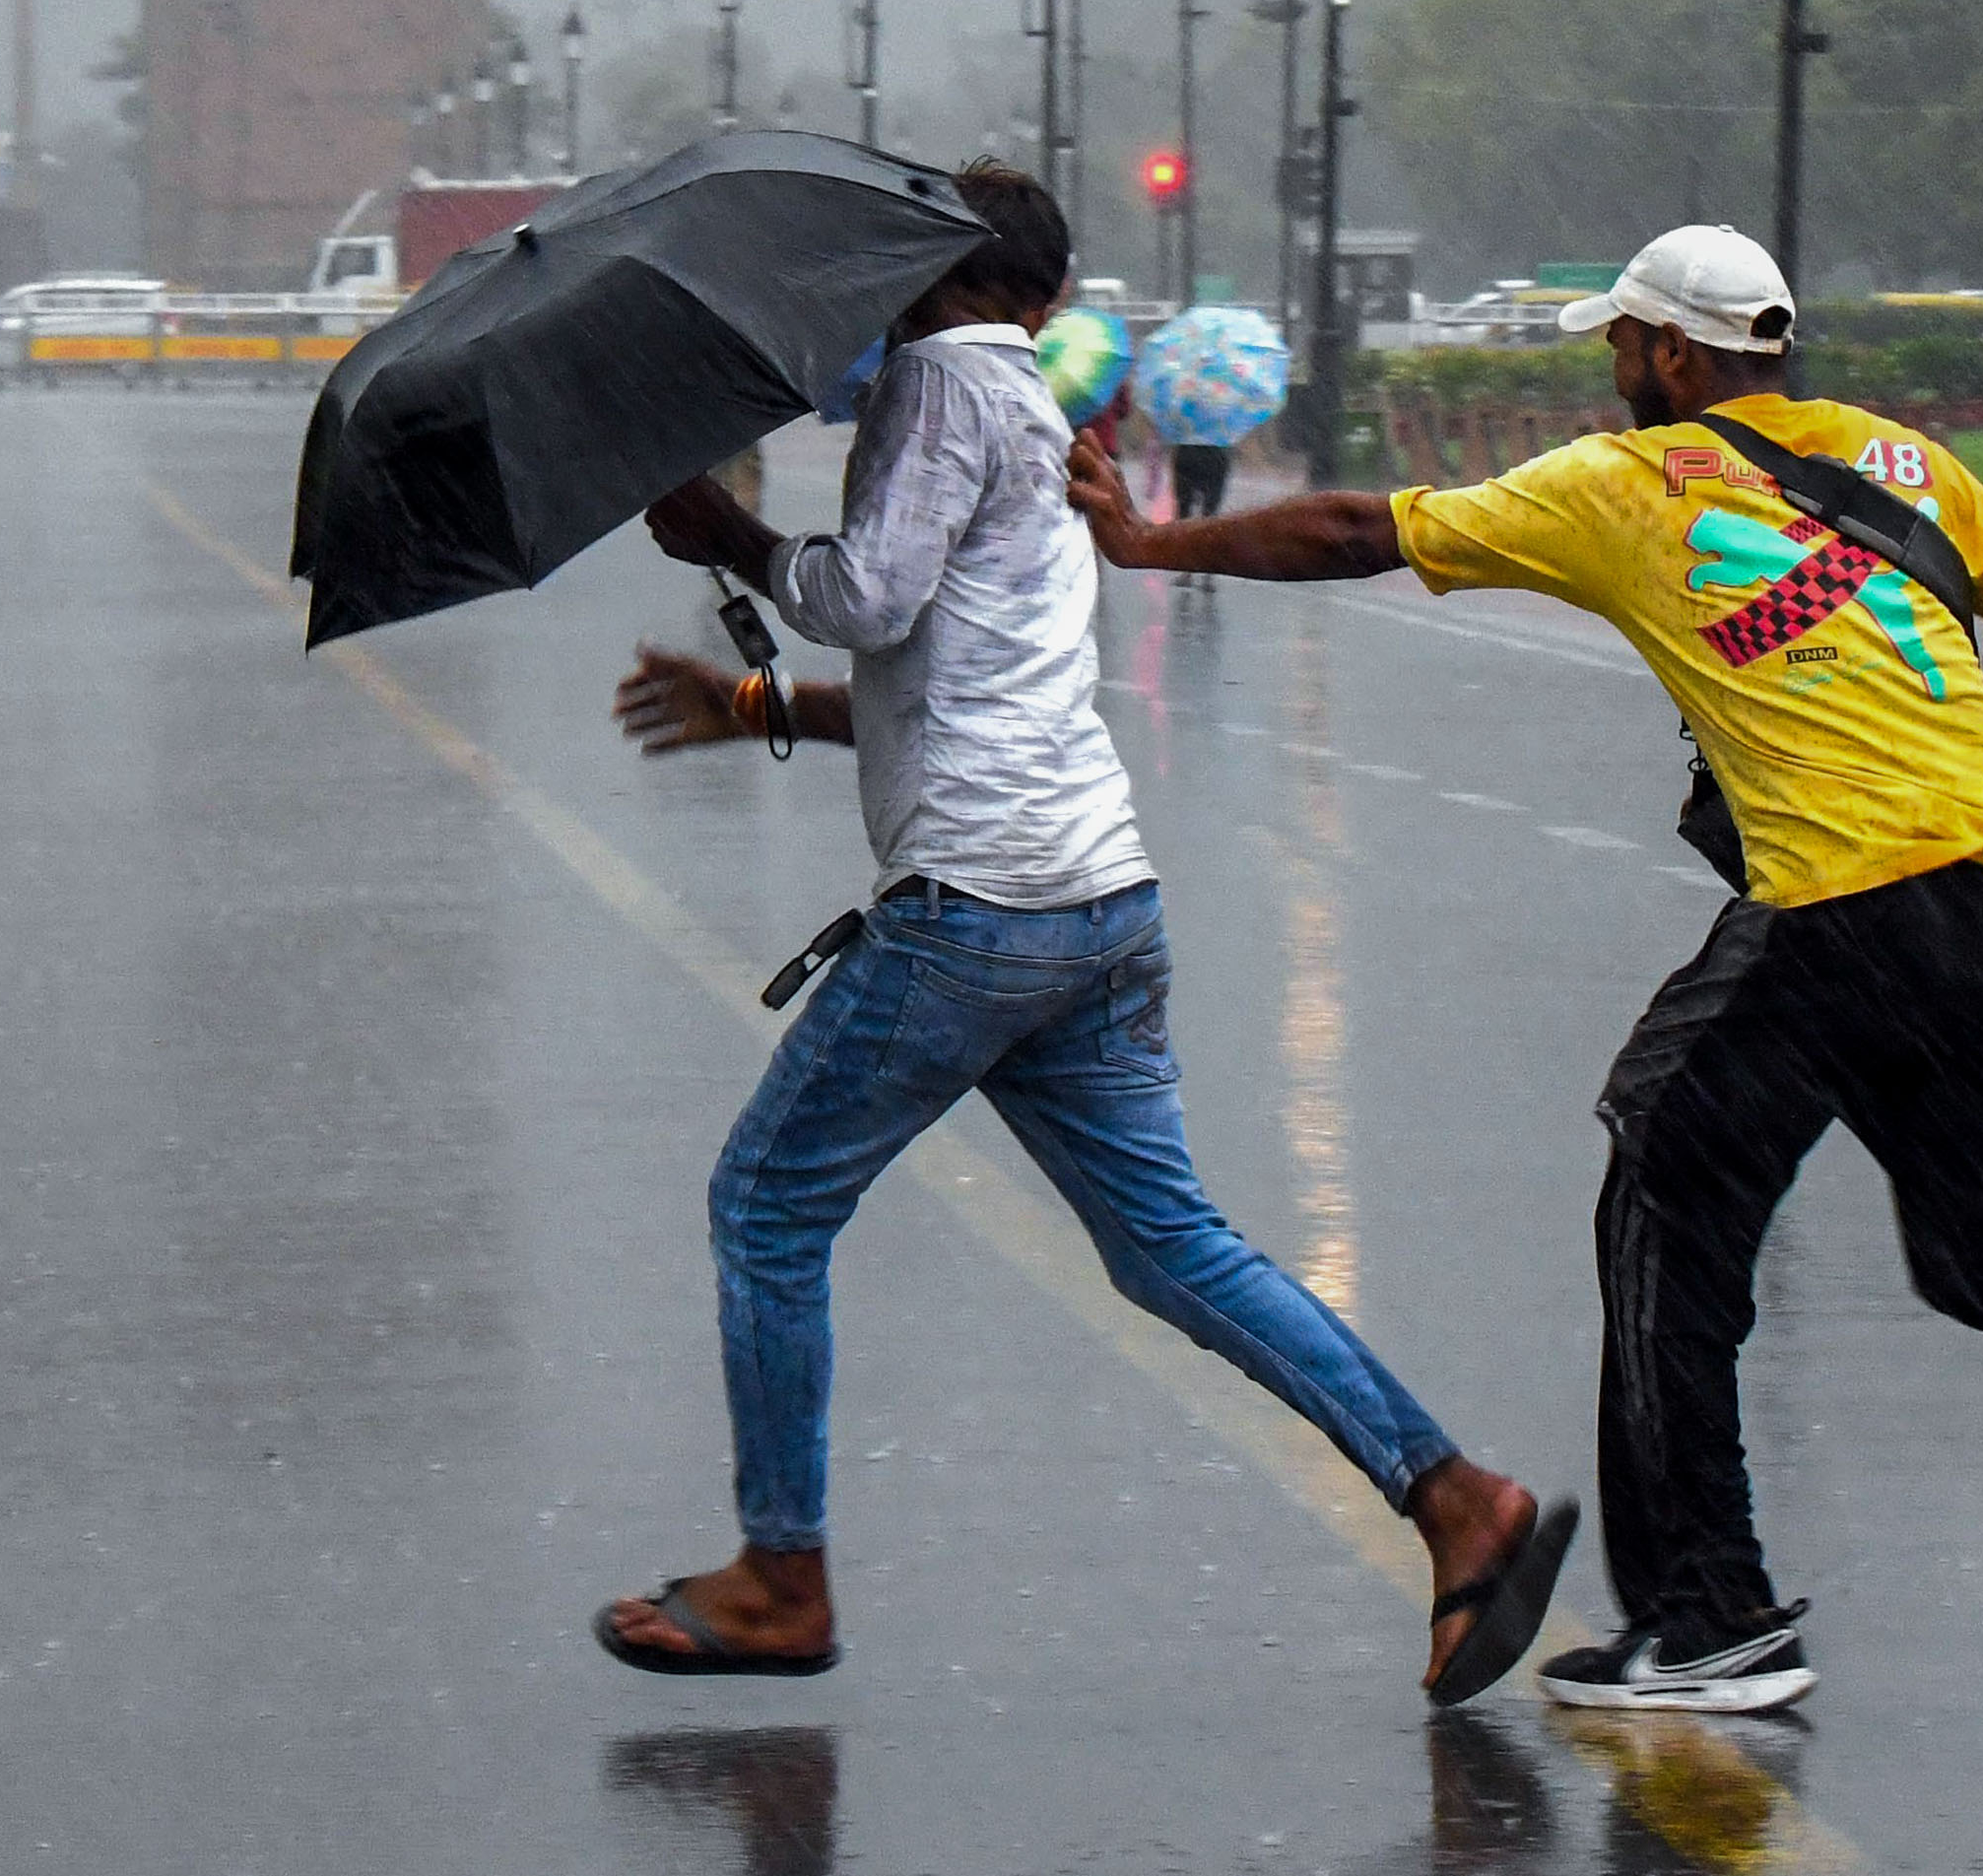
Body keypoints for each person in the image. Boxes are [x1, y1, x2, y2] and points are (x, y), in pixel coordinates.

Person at [1065, 221, 1983, 1717]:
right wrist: (1956, 774)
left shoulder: (1630, 481)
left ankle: (1707, 1611)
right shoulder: (1906, 465)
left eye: (1622, 344)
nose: (1615, 370)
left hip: (1837, 904)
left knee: (1663, 1182)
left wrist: (1152, 541)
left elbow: (1360, 531)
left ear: (1675, 356)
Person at [598, 161, 1580, 1704]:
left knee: (765, 1206)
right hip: (1098, 903)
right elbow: (958, 678)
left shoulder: (934, 385)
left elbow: (865, 595)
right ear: (1046, 297)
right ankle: (1457, 1497)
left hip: (977, 912)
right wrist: (753, 701)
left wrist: (731, 533)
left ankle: (784, 1574)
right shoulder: (1043, 411)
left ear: (922, 271)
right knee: (1169, 1243)